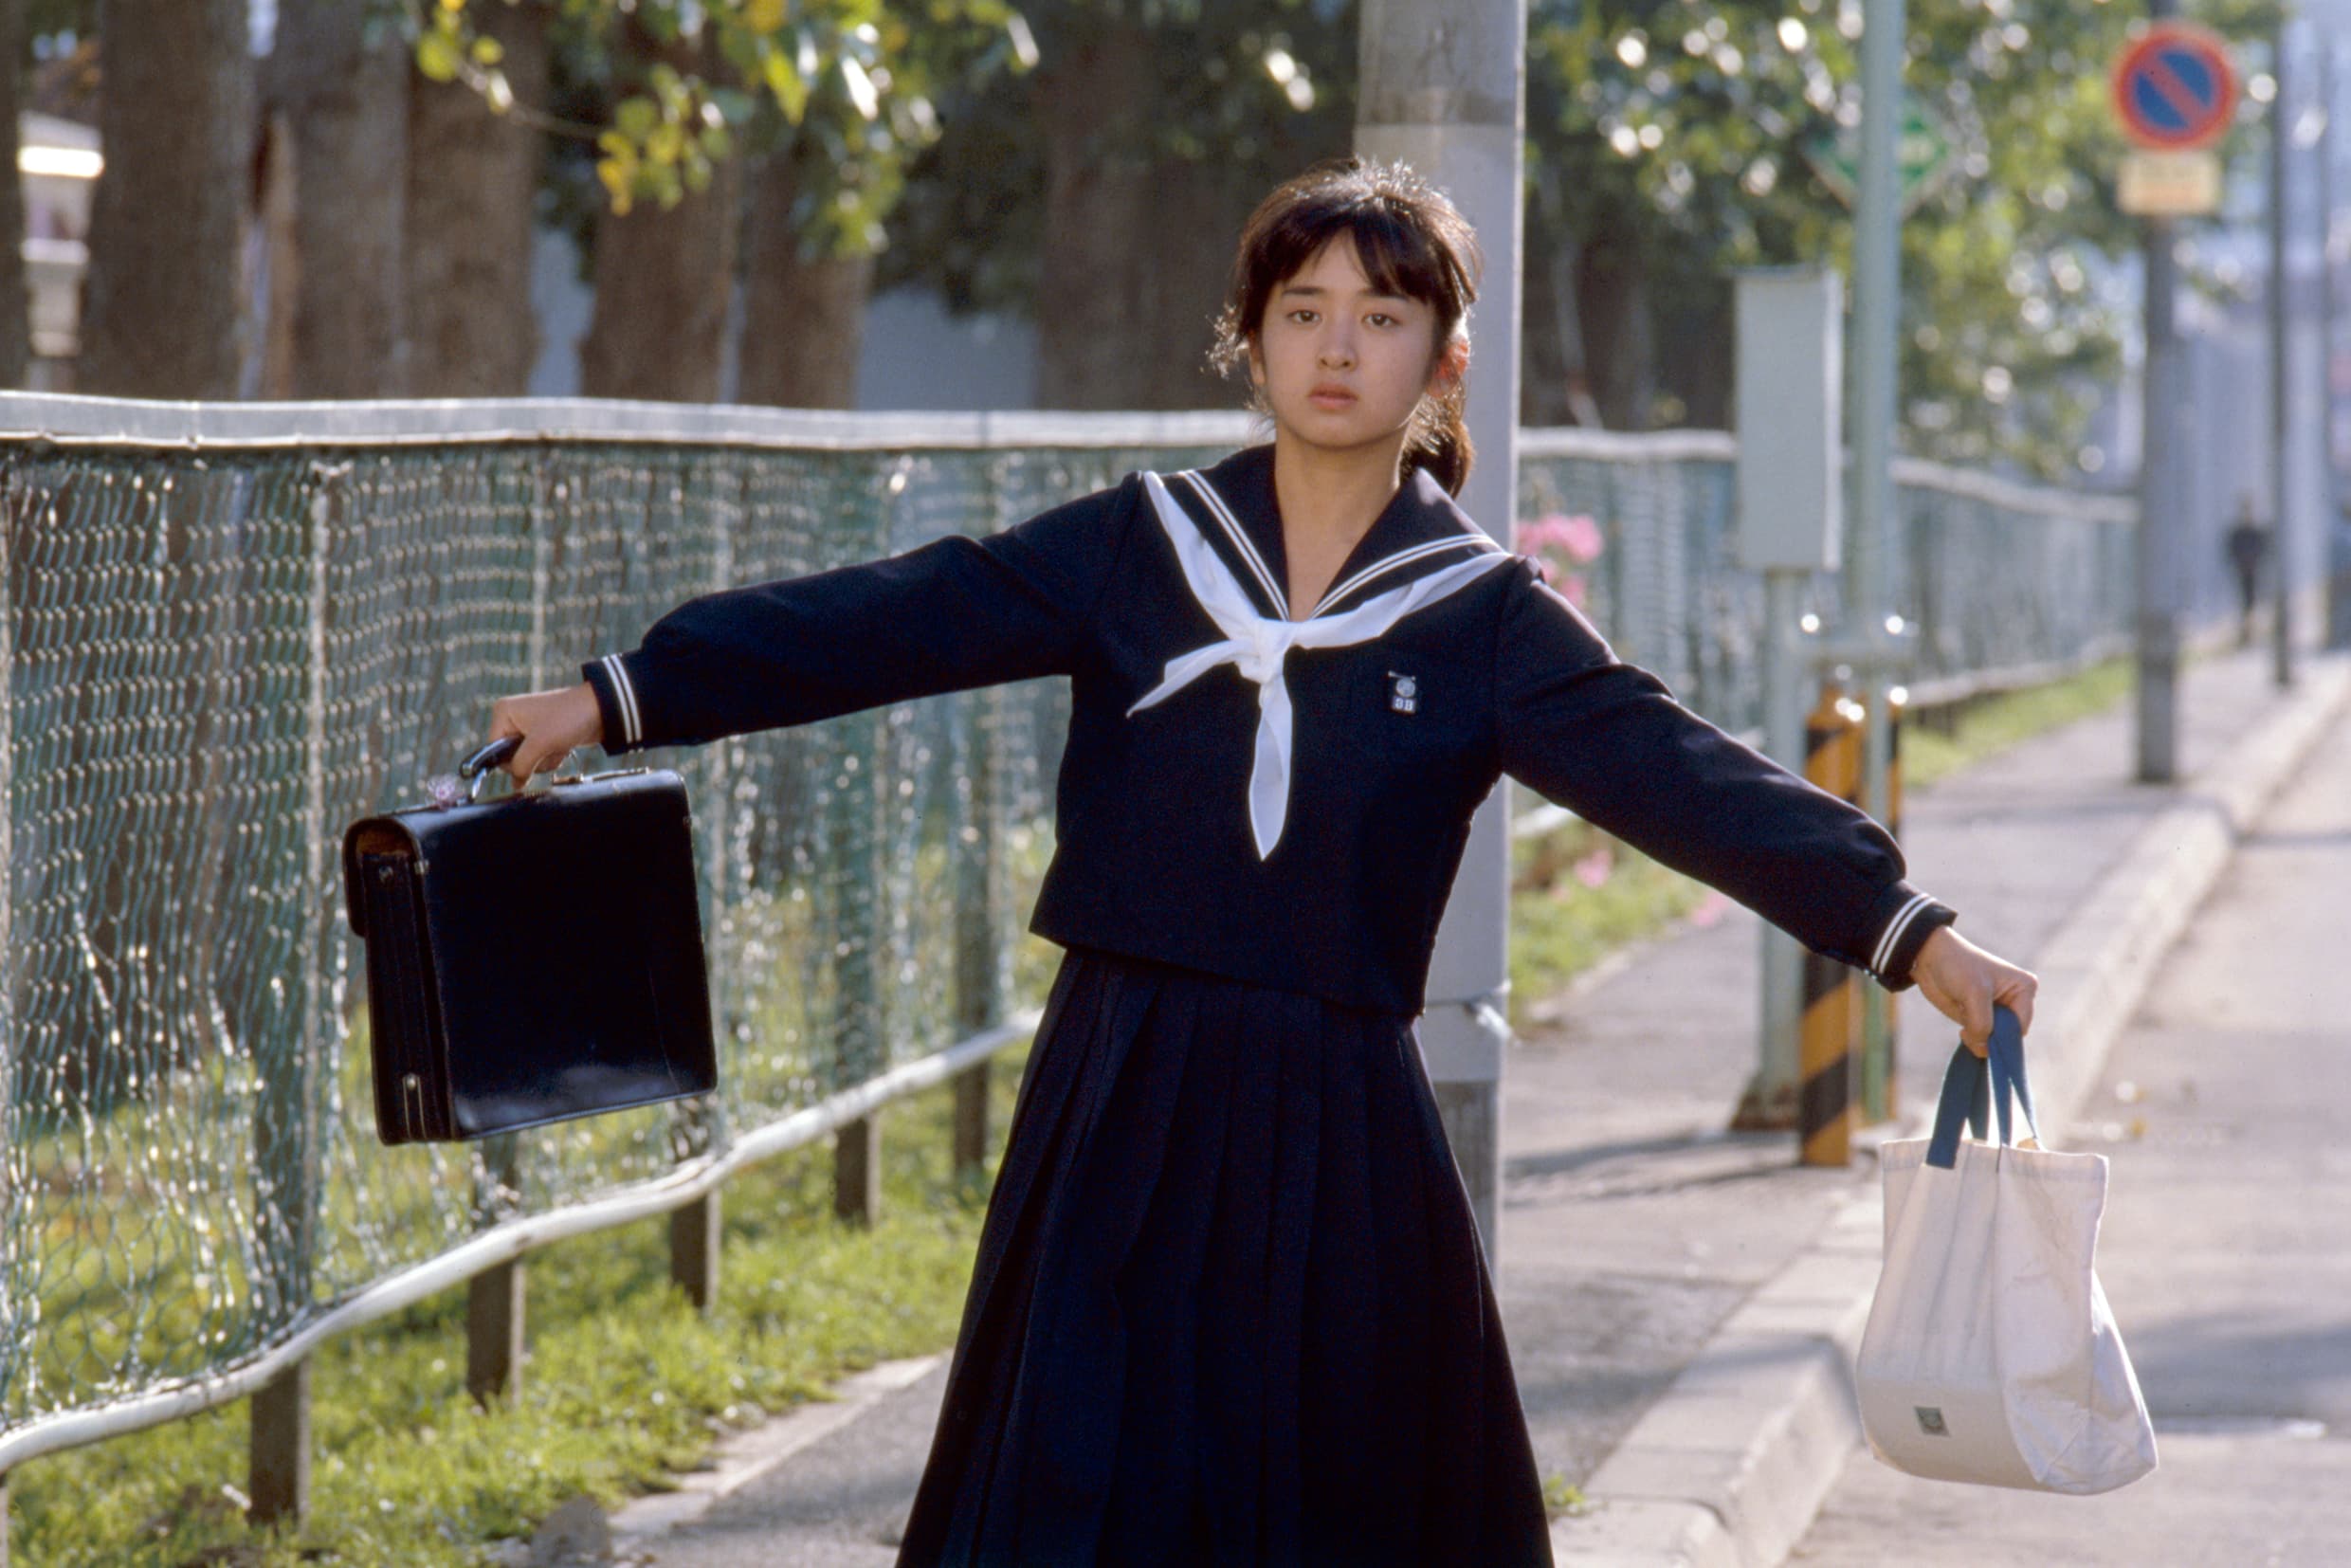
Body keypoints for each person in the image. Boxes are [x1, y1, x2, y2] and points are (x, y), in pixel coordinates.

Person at [486, 158, 2036, 1567]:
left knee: (1331, 1490)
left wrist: (1908, 929)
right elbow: (895, 616)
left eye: (1382, 315)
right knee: (1078, 1474)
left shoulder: (1481, 614)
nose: (1337, 346)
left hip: (1340, 1109)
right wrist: (625, 694)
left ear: (1444, 360)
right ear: (1253, 337)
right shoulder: (1143, 544)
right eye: (1303, 310)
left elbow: (1681, 774)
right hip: (1119, 1079)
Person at [2225, 495, 2271, 647]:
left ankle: (2250, 631)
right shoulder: (2239, 532)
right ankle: (2246, 631)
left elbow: (2263, 549)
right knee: (2244, 601)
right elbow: (2232, 549)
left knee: (2252, 601)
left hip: (2254, 571)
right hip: (2242, 571)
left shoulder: (2255, 532)